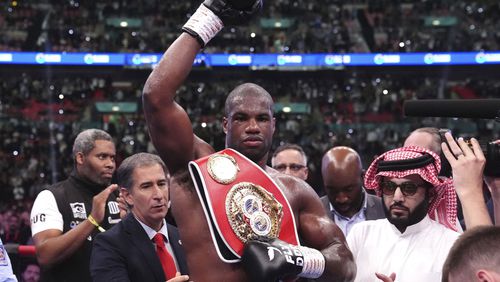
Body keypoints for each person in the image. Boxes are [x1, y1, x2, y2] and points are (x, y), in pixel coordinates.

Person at [142, 0, 355, 281]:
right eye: (241, 118)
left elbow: (345, 263)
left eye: (262, 119)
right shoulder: (197, 167)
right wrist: (210, 17)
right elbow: (155, 97)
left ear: (274, 125)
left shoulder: (295, 191)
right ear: (226, 124)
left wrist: (299, 258)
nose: (253, 127)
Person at [347, 146, 460, 282]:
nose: (397, 197)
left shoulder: (451, 244)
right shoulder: (362, 234)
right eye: (389, 187)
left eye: (409, 188)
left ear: (430, 194)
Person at [30, 129, 121, 282]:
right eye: (102, 157)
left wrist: (130, 224)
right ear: (80, 158)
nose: (110, 164)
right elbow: (45, 255)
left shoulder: (119, 198)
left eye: (112, 158)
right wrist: (92, 220)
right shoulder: (52, 196)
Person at [90, 153, 189, 282]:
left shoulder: (184, 236)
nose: (158, 195)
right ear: (127, 196)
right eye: (146, 186)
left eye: (161, 184)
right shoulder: (109, 245)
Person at [320, 146, 385, 236]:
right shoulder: (312, 213)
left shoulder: (385, 210)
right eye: (332, 190)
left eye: (348, 189)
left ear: (363, 177)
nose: (341, 199)